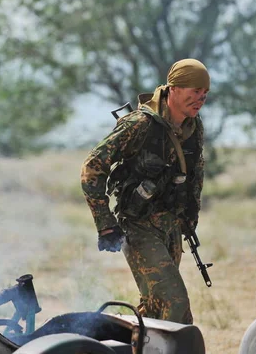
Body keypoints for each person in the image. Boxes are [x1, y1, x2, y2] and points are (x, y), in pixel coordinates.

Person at [80, 58, 210, 325]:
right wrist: (105, 224)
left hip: (171, 226)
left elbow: (195, 173)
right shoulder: (139, 124)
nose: (200, 98)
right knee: (174, 303)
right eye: (194, 91)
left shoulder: (193, 127)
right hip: (138, 226)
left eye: (204, 93)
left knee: (154, 308)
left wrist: (190, 215)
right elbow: (92, 167)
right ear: (173, 88)